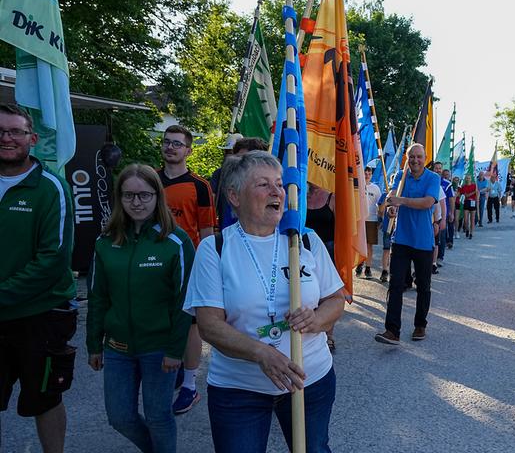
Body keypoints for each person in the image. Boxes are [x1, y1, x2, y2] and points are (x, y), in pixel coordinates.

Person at [184, 151, 345, 453]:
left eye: (280, 184)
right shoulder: (214, 248)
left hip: (309, 380)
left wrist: (318, 319)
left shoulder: (304, 239)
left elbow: (336, 300)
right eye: (263, 185)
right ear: (234, 195)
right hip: (239, 388)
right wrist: (260, 353)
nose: (277, 192)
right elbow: (208, 325)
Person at [87, 164, 195, 453]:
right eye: (129, 196)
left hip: (159, 348)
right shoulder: (105, 242)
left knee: (159, 417)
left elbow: (184, 301)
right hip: (118, 346)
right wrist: (93, 344)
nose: (137, 203)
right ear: (119, 198)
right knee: (119, 417)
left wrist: (175, 351)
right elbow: (97, 297)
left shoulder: (175, 241)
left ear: (157, 197)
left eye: (144, 195)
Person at [0, 104, 76, 453]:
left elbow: (53, 259)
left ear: (31, 139)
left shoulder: (51, 188)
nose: (6, 138)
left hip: (40, 316)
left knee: (44, 399)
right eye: (1, 131)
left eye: (15, 131)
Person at [157, 124, 215, 414]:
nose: (170, 147)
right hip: (154, 264)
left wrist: (209, 270)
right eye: (167, 142)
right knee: (165, 320)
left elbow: (206, 232)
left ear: (188, 150)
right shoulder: (150, 181)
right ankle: (175, 364)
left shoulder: (200, 186)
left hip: (188, 264)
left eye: (177, 144)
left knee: (191, 325)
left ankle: (190, 386)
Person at [374, 144, 441, 345]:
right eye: (411, 156)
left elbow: (428, 202)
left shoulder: (433, 178)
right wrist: (391, 208)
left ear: (425, 157)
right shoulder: (401, 175)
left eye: (419, 157)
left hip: (422, 241)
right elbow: (391, 198)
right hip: (401, 239)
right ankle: (392, 330)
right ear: (407, 157)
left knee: (423, 286)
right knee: (395, 285)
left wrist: (400, 201)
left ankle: (420, 324)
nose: (415, 160)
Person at [305, 183, 337, 352]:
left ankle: (328, 334)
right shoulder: (300, 194)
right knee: (308, 293)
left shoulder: (332, 197)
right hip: (304, 249)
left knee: (328, 295)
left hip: (329, 251)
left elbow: (342, 229)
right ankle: (308, 333)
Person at [212, 137, 267, 231]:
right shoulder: (222, 174)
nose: (241, 163)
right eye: (238, 158)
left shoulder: (270, 185)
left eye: (246, 159)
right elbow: (211, 204)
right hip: (228, 237)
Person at [356, 166, 381, 279]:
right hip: (360, 219)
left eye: (369, 173)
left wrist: (380, 218)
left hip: (372, 219)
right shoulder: (358, 185)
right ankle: (359, 264)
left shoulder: (375, 188)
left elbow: (380, 204)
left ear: (371, 174)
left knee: (369, 245)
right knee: (359, 244)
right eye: (365, 172)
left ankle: (368, 268)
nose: (367, 174)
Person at [457, 174, 478, 239]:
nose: (468, 179)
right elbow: (466, 195)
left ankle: (471, 233)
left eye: (469, 178)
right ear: (465, 179)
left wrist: (476, 194)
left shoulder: (474, 186)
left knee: (472, 219)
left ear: (471, 179)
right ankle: (467, 229)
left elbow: (477, 193)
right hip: (466, 202)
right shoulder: (464, 187)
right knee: (465, 220)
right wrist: (474, 192)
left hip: (473, 202)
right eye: (467, 178)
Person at [442, 169, 456, 249]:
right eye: (445, 174)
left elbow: (452, 198)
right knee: (443, 228)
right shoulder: (438, 182)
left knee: (450, 225)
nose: (446, 176)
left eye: (447, 174)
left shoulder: (449, 184)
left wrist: (451, 212)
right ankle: (445, 241)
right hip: (440, 211)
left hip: (448, 209)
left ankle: (450, 241)